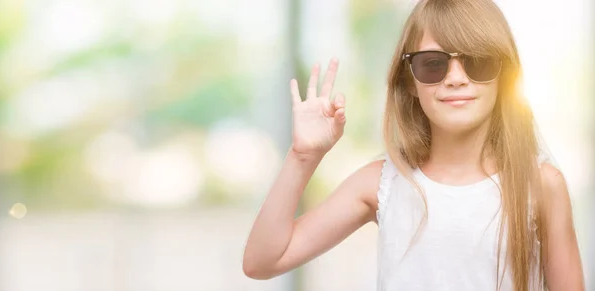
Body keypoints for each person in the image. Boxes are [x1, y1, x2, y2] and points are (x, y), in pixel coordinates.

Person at [242, 0, 585, 290]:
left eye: (478, 61)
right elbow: (262, 261)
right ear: (408, 81)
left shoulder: (540, 185)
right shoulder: (383, 182)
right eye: (433, 64)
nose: (455, 77)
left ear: (505, 77)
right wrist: (304, 156)